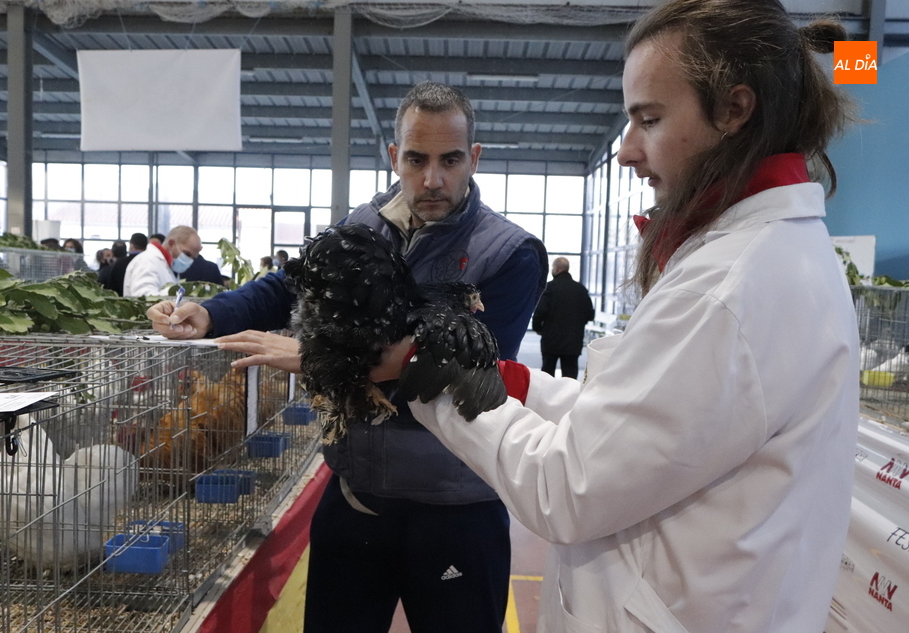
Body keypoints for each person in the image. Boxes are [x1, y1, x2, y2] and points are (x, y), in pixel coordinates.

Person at [371, 2, 860, 632]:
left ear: (735, 110)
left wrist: (423, 371)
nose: (626, 150)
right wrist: (504, 378)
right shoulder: (755, 259)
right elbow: (623, 416)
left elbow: (564, 485)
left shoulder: (728, 290)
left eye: (649, 120)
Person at [147, 81, 548, 633]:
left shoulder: (509, 252)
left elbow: (470, 381)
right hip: (357, 498)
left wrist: (318, 359)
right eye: (417, 158)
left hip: (457, 507)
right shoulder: (362, 225)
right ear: (394, 156)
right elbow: (285, 287)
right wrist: (210, 313)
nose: (432, 179)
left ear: (473, 158)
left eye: (450, 160)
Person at [531, 257, 595, 379]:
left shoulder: (549, 288)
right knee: (570, 377)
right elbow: (589, 315)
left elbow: (540, 312)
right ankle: (570, 398)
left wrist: (538, 328)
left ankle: (546, 398)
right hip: (573, 340)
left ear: (557, 269)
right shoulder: (580, 290)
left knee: (547, 376)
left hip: (551, 340)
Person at [124, 226, 201, 297]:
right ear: (171, 244)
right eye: (186, 254)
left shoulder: (167, 266)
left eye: (193, 258)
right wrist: (176, 293)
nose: (189, 260)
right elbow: (144, 299)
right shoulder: (146, 261)